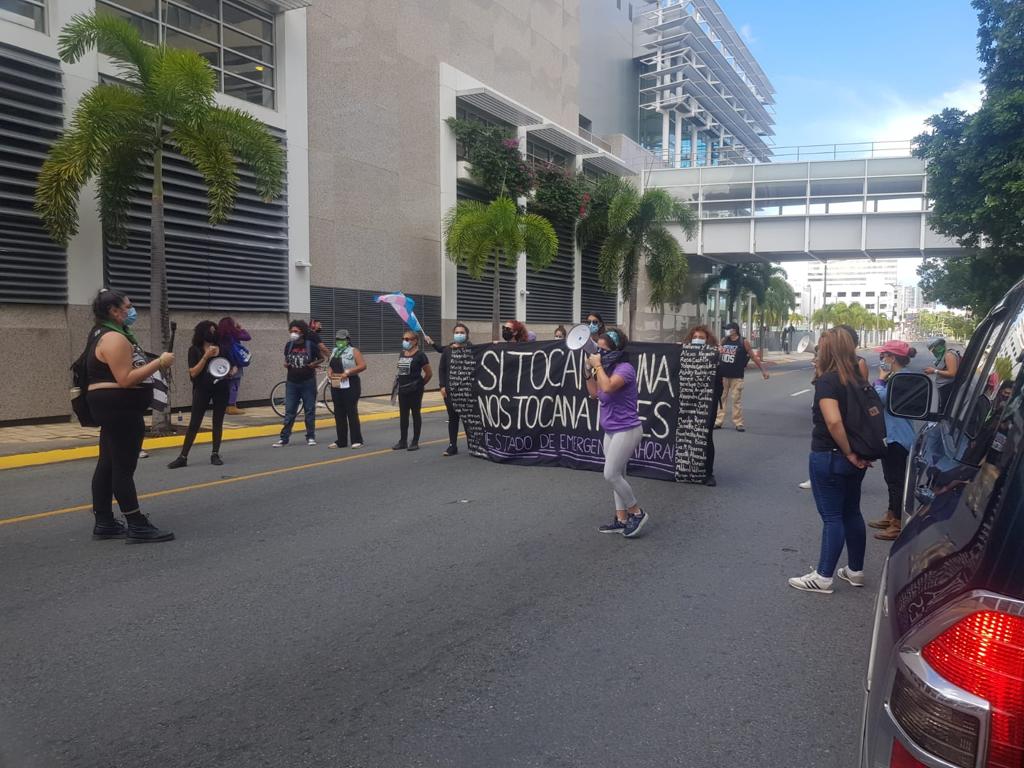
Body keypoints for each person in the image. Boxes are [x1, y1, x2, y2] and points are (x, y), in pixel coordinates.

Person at [85, 289, 175, 543]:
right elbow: (125, 379)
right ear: (114, 311)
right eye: (127, 306)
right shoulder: (115, 338)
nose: (131, 310)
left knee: (108, 463)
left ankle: (104, 522)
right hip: (119, 408)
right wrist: (159, 362)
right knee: (123, 466)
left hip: (111, 407)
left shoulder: (101, 334)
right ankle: (136, 524)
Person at [788, 329, 870, 594]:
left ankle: (823, 576)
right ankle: (855, 570)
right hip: (858, 456)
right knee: (852, 512)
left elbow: (833, 421)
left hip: (831, 455)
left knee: (832, 516)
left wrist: (847, 451)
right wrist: (856, 453)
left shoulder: (829, 381)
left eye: (821, 346)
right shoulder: (858, 377)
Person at [585, 328, 648, 538]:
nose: (599, 354)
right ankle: (621, 519)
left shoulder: (624, 368)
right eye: (597, 349)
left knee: (610, 474)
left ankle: (636, 512)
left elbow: (609, 387)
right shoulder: (605, 369)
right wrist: (588, 371)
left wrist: (598, 367)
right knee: (617, 476)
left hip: (627, 429)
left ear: (615, 350)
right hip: (611, 430)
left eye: (603, 350)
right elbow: (595, 393)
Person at [868, 340, 918, 541]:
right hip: (892, 434)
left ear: (893, 358)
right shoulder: (896, 376)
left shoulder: (901, 378)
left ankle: (897, 522)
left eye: (884, 355)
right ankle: (891, 514)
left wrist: (879, 380)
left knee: (896, 481)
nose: (882, 359)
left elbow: (882, 399)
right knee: (890, 479)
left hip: (898, 436)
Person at [167, 321, 230, 469]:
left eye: (215, 330)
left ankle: (215, 453)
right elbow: (193, 372)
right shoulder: (194, 350)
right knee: (194, 423)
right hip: (202, 389)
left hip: (221, 388)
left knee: (217, 422)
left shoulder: (223, 349)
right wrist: (206, 357)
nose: (213, 333)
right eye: (210, 330)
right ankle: (183, 456)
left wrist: (231, 369)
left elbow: (228, 366)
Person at [682, 325, 721, 486]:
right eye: (695, 337)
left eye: (702, 338)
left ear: (708, 341)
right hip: (685, 402)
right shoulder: (684, 354)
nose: (697, 340)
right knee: (685, 435)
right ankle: (686, 468)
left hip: (706, 403)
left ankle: (708, 473)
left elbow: (720, 379)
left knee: (705, 436)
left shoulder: (715, 356)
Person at [273, 320, 322, 447]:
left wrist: (314, 364)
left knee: (309, 410)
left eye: (296, 331)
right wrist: (286, 363)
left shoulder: (310, 345)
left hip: (308, 382)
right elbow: (286, 359)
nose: (293, 333)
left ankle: (310, 436)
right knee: (289, 411)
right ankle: (284, 438)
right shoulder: (289, 345)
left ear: (302, 332)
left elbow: (321, 357)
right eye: (291, 331)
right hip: (292, 382)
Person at [715, 321, 769, 432]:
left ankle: (738, 423)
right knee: (721, 399)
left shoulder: (743, 342)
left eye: (728, 329)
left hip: (736, 376)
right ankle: (718, 421)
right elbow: (717, 355)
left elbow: (753, 357)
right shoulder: (724, 340)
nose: (726, 331)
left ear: (734, 330)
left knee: (736, 400)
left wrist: (763, 370)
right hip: (723, 375)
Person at [425, 324, 470, 456]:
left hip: (467, 391)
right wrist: (442, 386)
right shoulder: (448, 350)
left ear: (467, 335)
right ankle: (452, 445)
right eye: (457, 332)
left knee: (468, 419)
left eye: (462, 332)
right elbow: (442, 369)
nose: (459, 334)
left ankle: (473, 445)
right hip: (450, 391)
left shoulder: (472, 349)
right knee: (453, 418)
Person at [327, 329, 366, 449]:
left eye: (342, 339)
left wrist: (348, 372)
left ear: (348, 340)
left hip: (350, 383)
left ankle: (357, 439)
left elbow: (362, 366)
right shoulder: (335, 351)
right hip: (337, 383)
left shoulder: (353, 351)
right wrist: (329, 373)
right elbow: (330, 365)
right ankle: (341, 441)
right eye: (338, 339)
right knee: (338, 412)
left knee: (351, 411)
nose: (339, 341)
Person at [392, 331, 432, 451]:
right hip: (403, 389)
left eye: (408, 339)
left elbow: (429, 373)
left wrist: (419, 385)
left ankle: (415, 441)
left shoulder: (420, 355)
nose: (405, 341)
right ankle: (402, 441)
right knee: (403, 416)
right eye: (404, 339)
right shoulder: (402, 353)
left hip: (415, 390)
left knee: (415, 414)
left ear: (415, 341)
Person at [218, 316, 251, 415]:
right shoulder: (235, 333)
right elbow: (248, 337)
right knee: (234, 384)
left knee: (224, 385)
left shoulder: (219, 336)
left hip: (222, 363)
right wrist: (240, 328)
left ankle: (224, 406)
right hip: (235, 363)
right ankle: (231, 406)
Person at [925, 336, 960, 409]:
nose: (934, 352)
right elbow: (945, 369)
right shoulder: (944, 355)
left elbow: (952, 373)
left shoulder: (949, 355)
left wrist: (934, 371)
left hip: (947, 387)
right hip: (943, 387)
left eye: (934, 349)